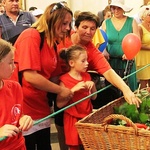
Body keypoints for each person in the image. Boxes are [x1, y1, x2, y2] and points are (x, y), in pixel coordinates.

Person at [56, 11, 142, 150]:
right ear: (76, 27)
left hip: (79, 97)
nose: (88, 32)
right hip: (59, 87)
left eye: (92, 29)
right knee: (63, 130)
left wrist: (126, 90)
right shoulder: (61, 39)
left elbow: (108, 72)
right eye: (84, 27)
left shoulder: (92, 50)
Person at [10, 2, 73, 150]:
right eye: (64, 23)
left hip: (41, 106)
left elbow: (55, 77)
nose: (68, 28)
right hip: (25, 107)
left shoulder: (53, 44)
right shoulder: (31, 36)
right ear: (52, 20)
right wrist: (61, 91)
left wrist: (73, 87)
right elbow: (30, 76)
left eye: (70, 24)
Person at [57, 45, 97, 150]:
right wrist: (73, 90)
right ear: (72, 63)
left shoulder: (87, 76)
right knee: (74, 147)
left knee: (88, 145)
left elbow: (94, 97)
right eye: (83, 61)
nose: (87, 63)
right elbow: (59, 104)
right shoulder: (64, 80)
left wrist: (92, 85)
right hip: (72, 120)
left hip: (86, 118)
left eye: (86, 60)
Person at [0, 39, 33, 150]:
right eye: (10, 63)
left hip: (19, 146)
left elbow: (18, 114)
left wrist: (24, 119)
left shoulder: (15, 87)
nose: (14, 67)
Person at [101, 0, 140, 92]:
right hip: (111, 62)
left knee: (129, 89)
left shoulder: (132, 21)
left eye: (119, 8)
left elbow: (137, 40)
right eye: (114, 8)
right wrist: (104, 51)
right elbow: (102, 41)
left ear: (124, 9)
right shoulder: (105, 23)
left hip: (127, 63)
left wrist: (130, 53)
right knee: (112, 91)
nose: (116, 11)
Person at [135, 5, 150, 88]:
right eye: (149, 15)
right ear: (143, 16)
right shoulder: (140, 27)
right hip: (143, 58)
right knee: (144, 83)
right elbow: (138, 44)